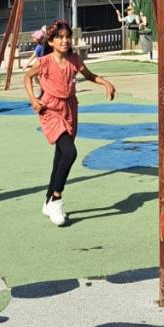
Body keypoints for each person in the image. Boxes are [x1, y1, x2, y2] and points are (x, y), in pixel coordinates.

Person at [24, 19, 116, 226]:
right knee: (69, 152)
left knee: (60, 157)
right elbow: (27, 77)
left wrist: (105, 82)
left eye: (67, 37)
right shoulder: (45, 61)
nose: (65, 41)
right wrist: (33, 99)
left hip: (69, 109)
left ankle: (47, 201)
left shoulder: (74, 60)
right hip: (50, 110)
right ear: (51, 41)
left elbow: (89, 75)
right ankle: (56, 199)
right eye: (60, 37)